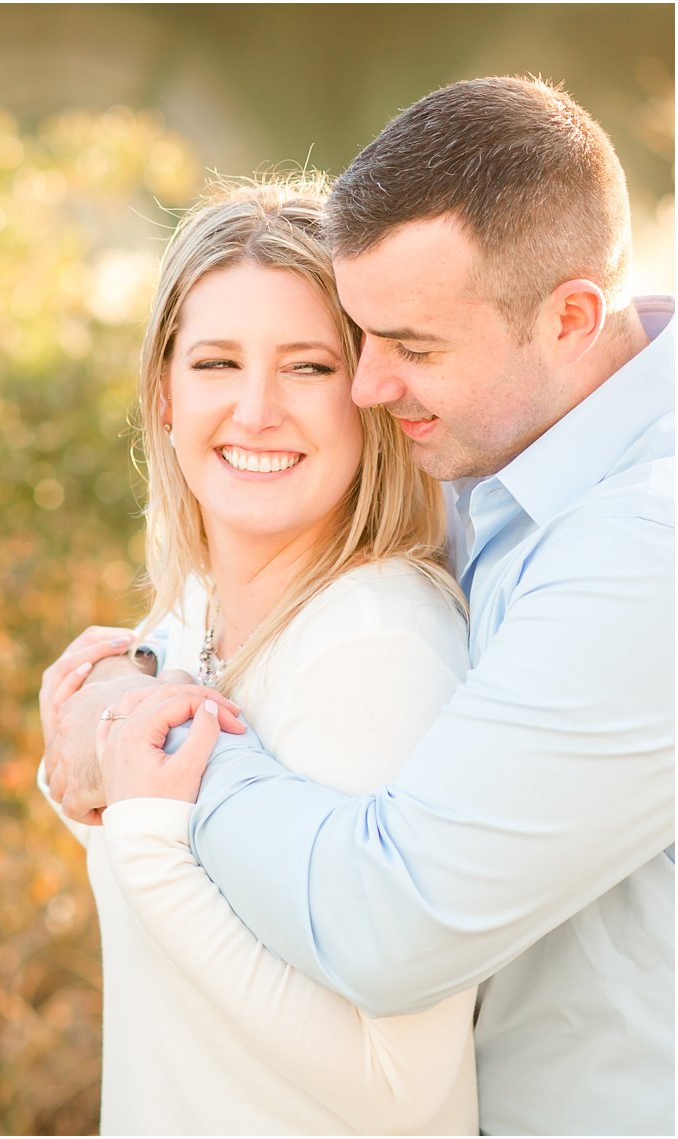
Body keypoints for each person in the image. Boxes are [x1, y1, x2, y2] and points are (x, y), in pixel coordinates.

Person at [45, 76, 674, 1135]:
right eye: (363, 339)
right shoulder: (509, 457)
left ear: (571, 318)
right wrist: (134, 684)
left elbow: (390, 924)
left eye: (406, 348)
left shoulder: (634, 543)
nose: (369, 388)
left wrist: (150, 739)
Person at [37, 178, 478, 1134]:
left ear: (368, 393)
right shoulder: (189, 617)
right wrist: (85, 752)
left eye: (309, 367)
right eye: (216, 362)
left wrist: (149, 843)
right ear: (162, 393)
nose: (256, 409)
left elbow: (399, 1085)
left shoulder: (376, 650)